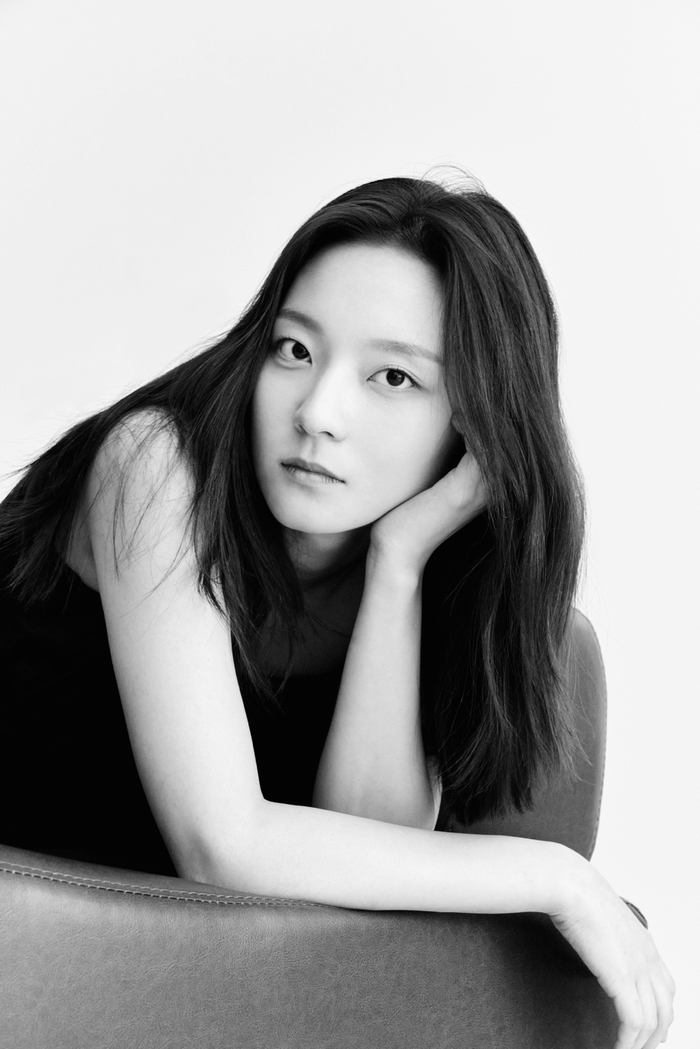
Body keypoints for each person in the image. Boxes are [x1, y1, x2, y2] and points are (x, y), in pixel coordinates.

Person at [0, 175, 674, 1046]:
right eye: (293, 349)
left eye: (393, 376)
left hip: (205, 1004)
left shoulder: (422, 568)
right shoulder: (155, 464)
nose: (318, 412)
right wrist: (558, 878)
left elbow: (365, 914)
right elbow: (221, 846)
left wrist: (398, 565)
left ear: (475, 424)